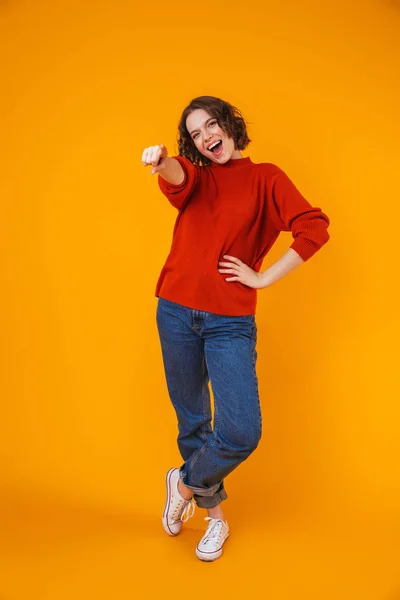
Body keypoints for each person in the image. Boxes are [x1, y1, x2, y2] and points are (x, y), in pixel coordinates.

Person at [141, 96, 330, 562]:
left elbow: (314, 227)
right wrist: (163, 161)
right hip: (175, 312)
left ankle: (182, 485)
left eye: (213, 125)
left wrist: (263, 277)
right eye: (197, 133)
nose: (208, 136)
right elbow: (177, 175)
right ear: (193, 144)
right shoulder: (196, 175)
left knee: (241, 430)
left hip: (230, 322)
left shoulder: (267, 177)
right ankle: (216, 520)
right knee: (193, 421)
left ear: (229, 125)